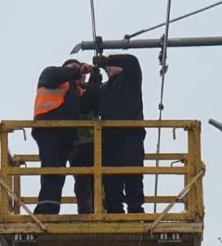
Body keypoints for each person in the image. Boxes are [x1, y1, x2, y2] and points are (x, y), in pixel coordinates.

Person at [32, 59, 95, 215]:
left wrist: (94, 79)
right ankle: (47, 208)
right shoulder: (51, 75)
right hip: (49, 128)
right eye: (73, 68)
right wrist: (79, 70)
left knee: (57, 172)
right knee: (52, 170)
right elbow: (56, 75)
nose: (77, 71)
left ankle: (50, 206)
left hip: (65, 134)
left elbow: (88, 103)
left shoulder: (75, 91)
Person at [97, 53, 145, 214]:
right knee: (111, 177)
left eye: (110, 66)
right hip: (109, 138)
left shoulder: (130, 79)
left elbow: (132, 61)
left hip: (130, 134)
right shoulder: (104, 88)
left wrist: (107, 59)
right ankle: (114, 209)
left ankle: (135, 208)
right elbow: (89, 102)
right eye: (106, 68)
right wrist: (93, 80)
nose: (107, 68)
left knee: (133, 173)